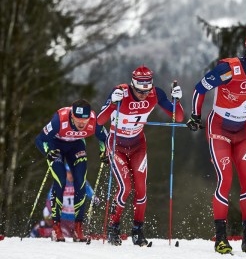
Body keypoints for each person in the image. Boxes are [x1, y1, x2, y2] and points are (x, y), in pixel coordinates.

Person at [186, 30, 246, 254]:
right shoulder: (229, 70)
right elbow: (200, 89)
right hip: (219, 129)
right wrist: (195, 116)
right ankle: (220, 239)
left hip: (243, 131)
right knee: (225, 180)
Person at [97, 65, 184, 247]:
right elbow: (99, 121)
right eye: (139, 91)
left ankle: (137, 230)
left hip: (138, 146)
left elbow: (179, 117)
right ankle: (114, 227)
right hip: (116, 146)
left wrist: (176, 101)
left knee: (141, 190)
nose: (144, 95)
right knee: (125, 188)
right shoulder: (120, 92)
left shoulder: (156, 93)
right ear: (132, 85)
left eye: (147, 91)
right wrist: (112, 103)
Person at [35, 99, 107, 242]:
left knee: (80, 183)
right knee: (60, 181)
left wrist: (103, 151)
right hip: (56, 146)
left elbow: (106, 138)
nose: (81, 123)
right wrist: (47, 152)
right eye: (78, 119)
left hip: (76, 146)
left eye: (84, 120)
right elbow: (39, 139)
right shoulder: (59, 120)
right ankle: (56, 228)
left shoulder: (94, 121)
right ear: (72, 115)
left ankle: (78, 228)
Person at [30, 164, 99, 238]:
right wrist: (52, 212)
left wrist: (95, 199)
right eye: (69, 172)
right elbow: (50, 200)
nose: (71, 175)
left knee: (79, 238)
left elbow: (91, 194)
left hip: (77, 220)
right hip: (62, 220)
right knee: (65, 236)